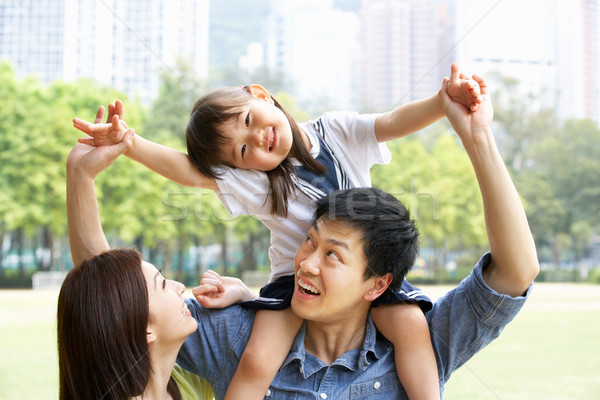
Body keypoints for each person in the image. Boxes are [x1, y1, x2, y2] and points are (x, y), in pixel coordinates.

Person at [68, 72, 539, 399]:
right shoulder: (259, 182)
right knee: (257, 360)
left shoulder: (335, 131)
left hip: (366, 282)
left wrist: (444, 105)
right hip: (284, 292)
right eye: (242, 150)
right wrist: (130, 145)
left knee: (414, 330)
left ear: (262, 95)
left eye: (250, 122)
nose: (257, 143)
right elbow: (112, 294)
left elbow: (391, 123)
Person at [60, 106, 254, 400]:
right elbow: (105, 294)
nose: (179, 288)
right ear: (145, 329)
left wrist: (80, 175)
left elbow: (101, 288)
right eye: (162, 283)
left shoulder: (185, 380)